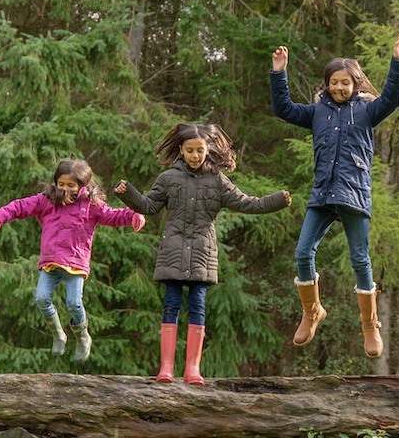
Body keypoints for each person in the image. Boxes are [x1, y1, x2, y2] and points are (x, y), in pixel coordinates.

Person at [269, 31, 399, 358]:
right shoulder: (317, 112)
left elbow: (391, 97)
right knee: (303, 253)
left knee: (360, 260)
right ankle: (312, 311)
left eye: (345, 83)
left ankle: (370, 323)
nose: (339, 87)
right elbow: (284, 110)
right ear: (326, 84)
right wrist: (279, 73)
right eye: (334, 82)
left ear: (356, 85)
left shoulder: (367, 111)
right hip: (322, 196)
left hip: (354, 196)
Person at [115, 123, 291, 385]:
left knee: (198, 307)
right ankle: (166, 368)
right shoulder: (168, 178)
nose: (195, 155)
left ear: (208, 150)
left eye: (200, 150)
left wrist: (277, 200)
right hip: (173, 251)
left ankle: (192, 370)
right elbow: (149, 206)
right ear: (181, 151)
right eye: (190, 150)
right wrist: (128, 193)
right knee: (171, 305)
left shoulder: (218, 181)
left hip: (202, 254)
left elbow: (247, 203)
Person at [0, 159, 146, 362]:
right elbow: (21, 206)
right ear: (56, 182)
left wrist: (133, 216)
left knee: (74, 303)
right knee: (41, 298)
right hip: (51, 262)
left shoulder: (91, 205)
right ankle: (58, 333)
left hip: (75, 263)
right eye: (61, 184)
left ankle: (83, 336)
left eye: (71, 185)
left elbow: (112, 215)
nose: (65, 189)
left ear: (81, 186)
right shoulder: (46, 200)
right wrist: (0, 216)